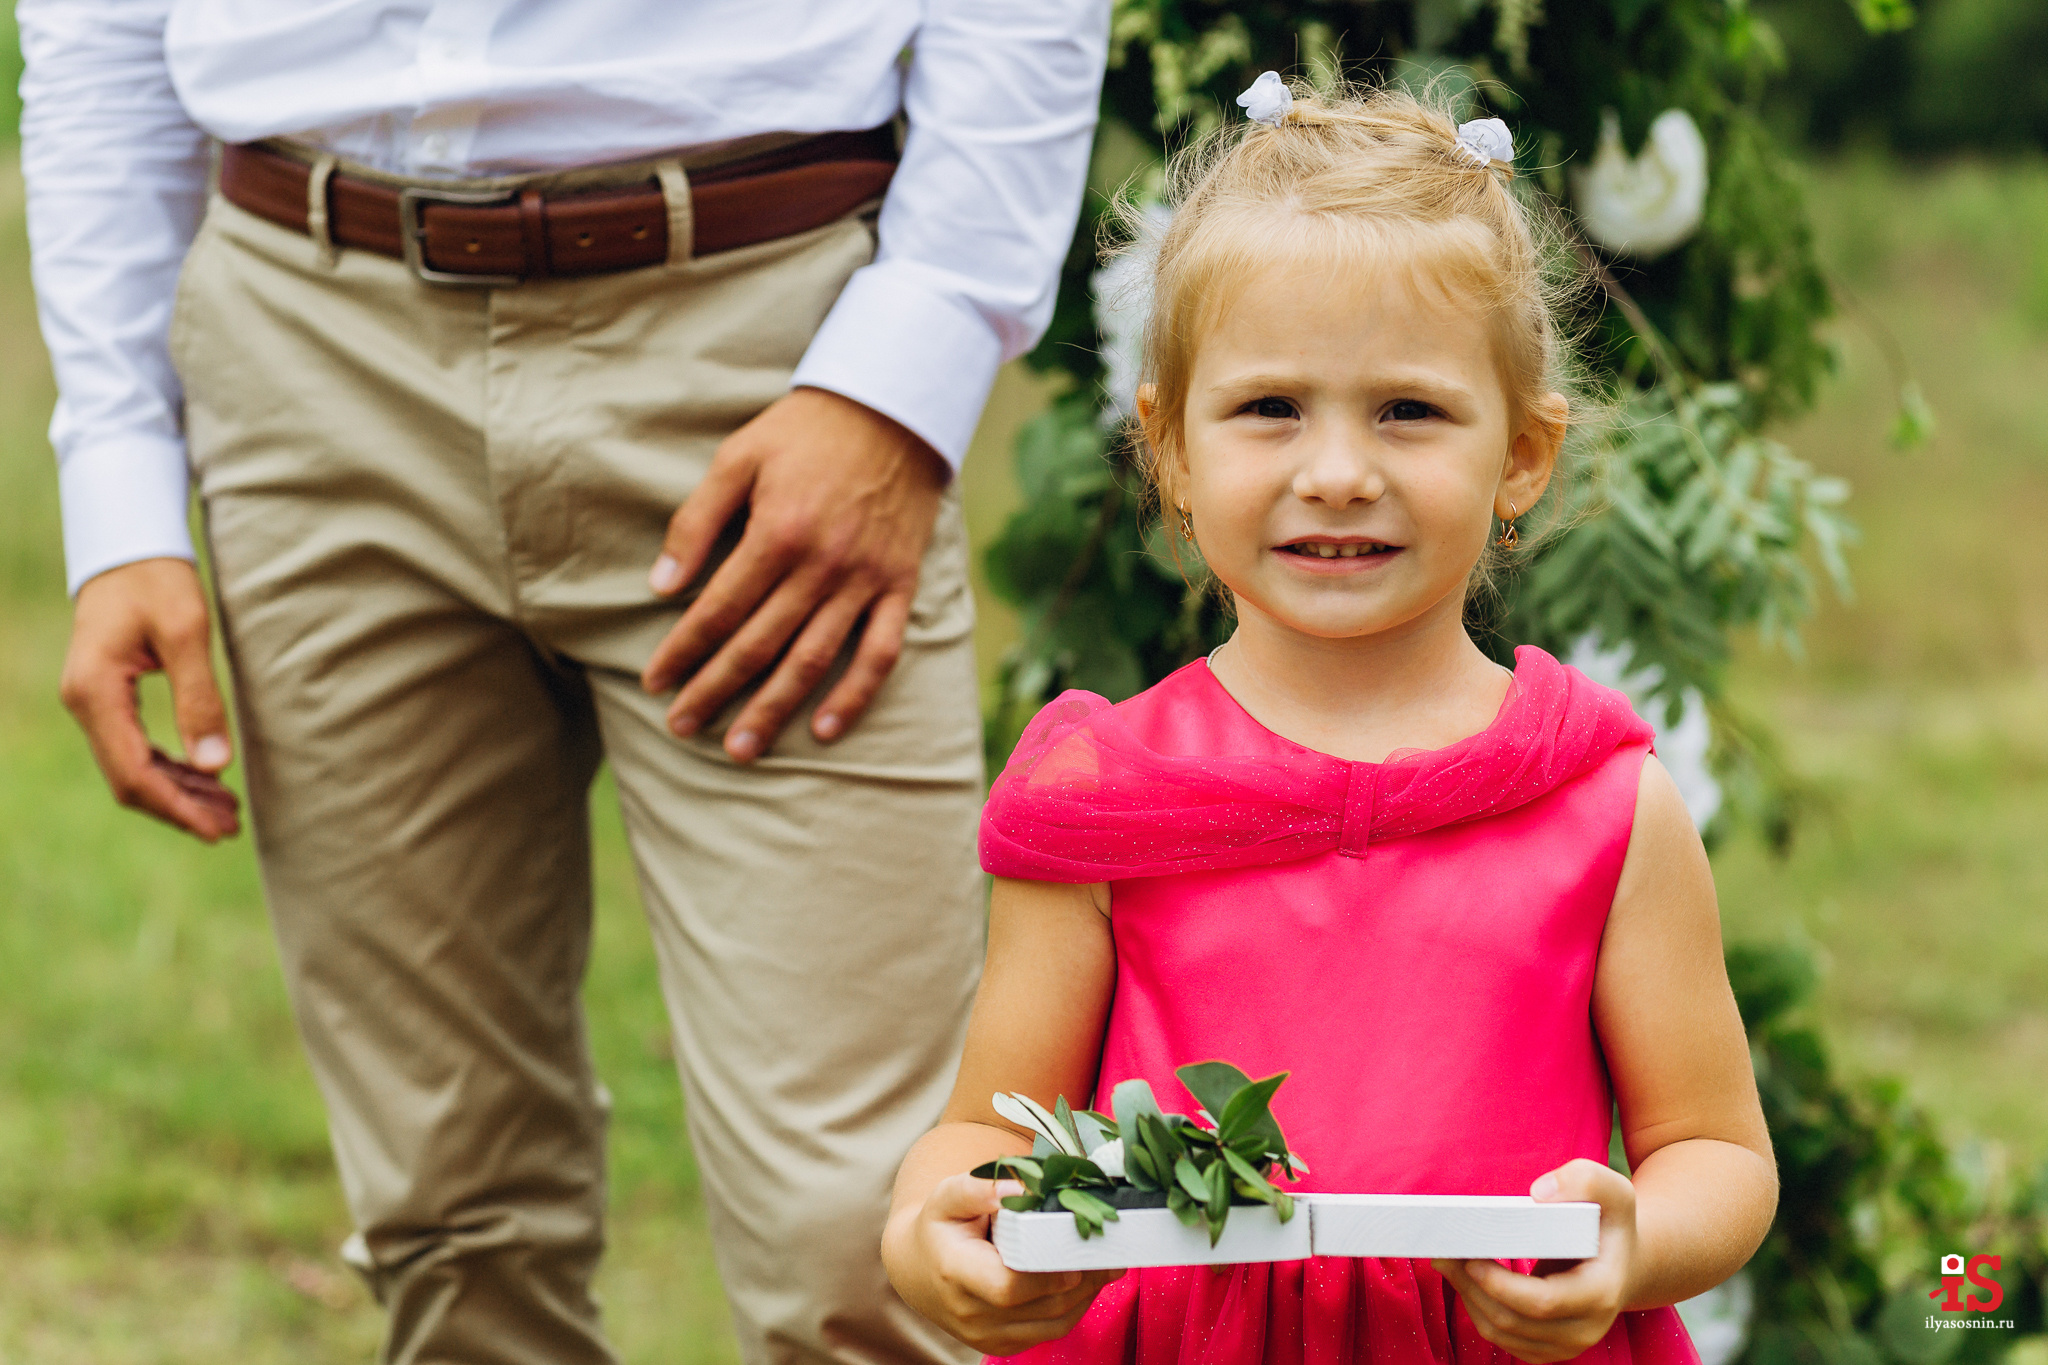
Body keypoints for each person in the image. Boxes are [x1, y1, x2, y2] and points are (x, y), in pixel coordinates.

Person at [18, 4, 1107, 1363]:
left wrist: (910, 368)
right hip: (308, 340)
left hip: (764, 337)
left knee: (874, 1244)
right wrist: (119, 482)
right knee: (451, 1223)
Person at [880, 80, 1778, 1361]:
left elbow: (1714, 1152)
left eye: (1407, 410)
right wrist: (934, 1224)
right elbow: (990, 1124)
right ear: (1170, 450)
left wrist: (1632, 1244)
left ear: (1521, 452)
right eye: (1267, 408)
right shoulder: (1102, 792)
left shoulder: (1599, 800)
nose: (1339, 471)